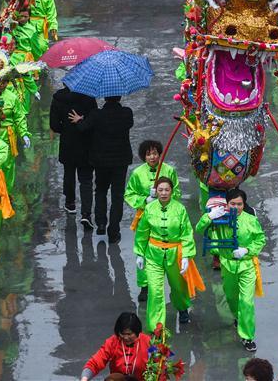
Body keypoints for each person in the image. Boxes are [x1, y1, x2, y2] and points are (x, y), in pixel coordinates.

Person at [196, 189, 267, 352]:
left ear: (244, 204)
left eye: (240, 204)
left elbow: (260, 239)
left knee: (247, 302)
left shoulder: (251, 220)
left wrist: (247, 250)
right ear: (227, 204)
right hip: (227, 264)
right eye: (232, 204)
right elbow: (200, 229)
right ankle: (238, 317)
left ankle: (247, 337)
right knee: (231, 297)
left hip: (247, 265)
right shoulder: (220, 218)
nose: (236, 207)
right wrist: (209, 217)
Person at [133, 177, 204, 332]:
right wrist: (140, 253)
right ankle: (156, 327)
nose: (164, 193)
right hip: (153, 254)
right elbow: (142, 232)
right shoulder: (149, 209)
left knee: (178, 287)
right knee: (155, 291)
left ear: (172, 191)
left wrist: (186, 256)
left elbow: (186, 233)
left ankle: (183, 307)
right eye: (160, 190)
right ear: (156, 191)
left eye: (167, 190)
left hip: (174, 254)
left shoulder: (180, 209)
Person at [69, 96, 133, 243]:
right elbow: (129, 124)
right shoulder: (127, 113)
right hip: (120, 160)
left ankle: (101, 223)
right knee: (118, 195)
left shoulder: (96, 114)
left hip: (100, 160)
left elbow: (83, 127)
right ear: (120, 96)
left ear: (105, 97)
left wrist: (80, 119)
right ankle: (114, 230)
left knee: (101, 191)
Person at [124, 140, 179, 302]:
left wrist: (164, 197)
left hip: (167, 218)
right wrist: (145, 200)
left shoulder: (169, 171)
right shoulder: (137, 173)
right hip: (145, 219)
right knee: (143, 252)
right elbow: (129, 194)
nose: (152, 157)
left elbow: (177, 193)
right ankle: (144, 286)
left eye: (155, 153)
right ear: (143, 156)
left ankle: (174, 285)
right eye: (148, 154)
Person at [80, 312, 150, 381]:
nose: (125, 337)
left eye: (129, 334)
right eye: (122, 333)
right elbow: (95, 362)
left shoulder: (148, 342)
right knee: (112, 378)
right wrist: (84, 378)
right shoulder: (113, 342)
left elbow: (159, 363)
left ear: (137, 331)